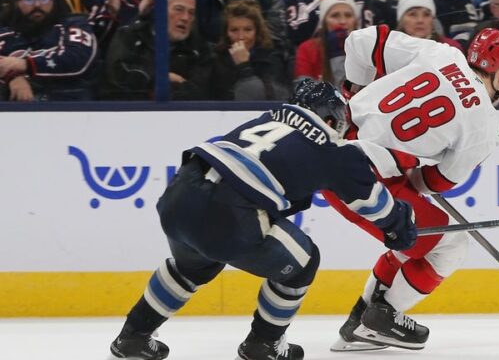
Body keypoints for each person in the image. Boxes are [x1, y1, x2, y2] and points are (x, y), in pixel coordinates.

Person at [108, 79, 418, 360]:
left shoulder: (269, 116)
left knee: (193, 265)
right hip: (228, 211)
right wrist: (400, 228)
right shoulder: (333, 147)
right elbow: (373, 202)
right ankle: (264, 343)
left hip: (180, 194)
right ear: (331, 116)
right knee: (302, 263)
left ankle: (133, 336)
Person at [325, 24, 499, 352]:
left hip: (327, 150)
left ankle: (359, 324)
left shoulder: (442, 53)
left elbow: (362, 41)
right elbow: (437, 182)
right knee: (451, 245)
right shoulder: (487, 126)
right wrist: (411, 173)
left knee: (415, 239)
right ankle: (383, 319)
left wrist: (353, 91)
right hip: (365, 182)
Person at [99, 0, 214, 100]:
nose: (185, 17)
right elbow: (117, 81)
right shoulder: (130, 36)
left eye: (191, 13)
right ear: (160, 10)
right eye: (179, 9)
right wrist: (161, 78)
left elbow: (200, 92)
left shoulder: (199, 49)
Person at [0, 0, 99, 101]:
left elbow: (77, 58)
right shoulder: (5, 34)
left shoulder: (74, 25)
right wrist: (12, 77)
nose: (37, 5)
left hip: (72, 109)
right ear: (16, 2)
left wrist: (27, 64)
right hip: (16, 112)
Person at [210, 0, 291, 100]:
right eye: (234, 30)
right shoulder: (215, 59)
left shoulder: (272, 59)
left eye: (248, 30)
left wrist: (244, 66)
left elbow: (268, 97)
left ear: (257, 32)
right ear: (226, 33)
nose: (241, 37)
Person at [294, 0, 359, 87]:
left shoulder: (368, 49)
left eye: (348, 15)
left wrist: (340, 54)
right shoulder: (307, 48)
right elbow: (304, 91)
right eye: (335, 16)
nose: (343, 21)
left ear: (355, 21)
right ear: (324, 21)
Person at [285, 0, 373, 47]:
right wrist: (319, 0)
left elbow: (365, 40)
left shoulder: (362, 0)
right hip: (314, 58)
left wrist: (342, 0)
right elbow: (296, 37)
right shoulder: (295, 0)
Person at [395, 0, 463, 51]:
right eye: (413, 14)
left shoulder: (451, 49)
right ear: (401, 20)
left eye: (426, 14)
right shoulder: (390, 49)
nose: (420, 20)